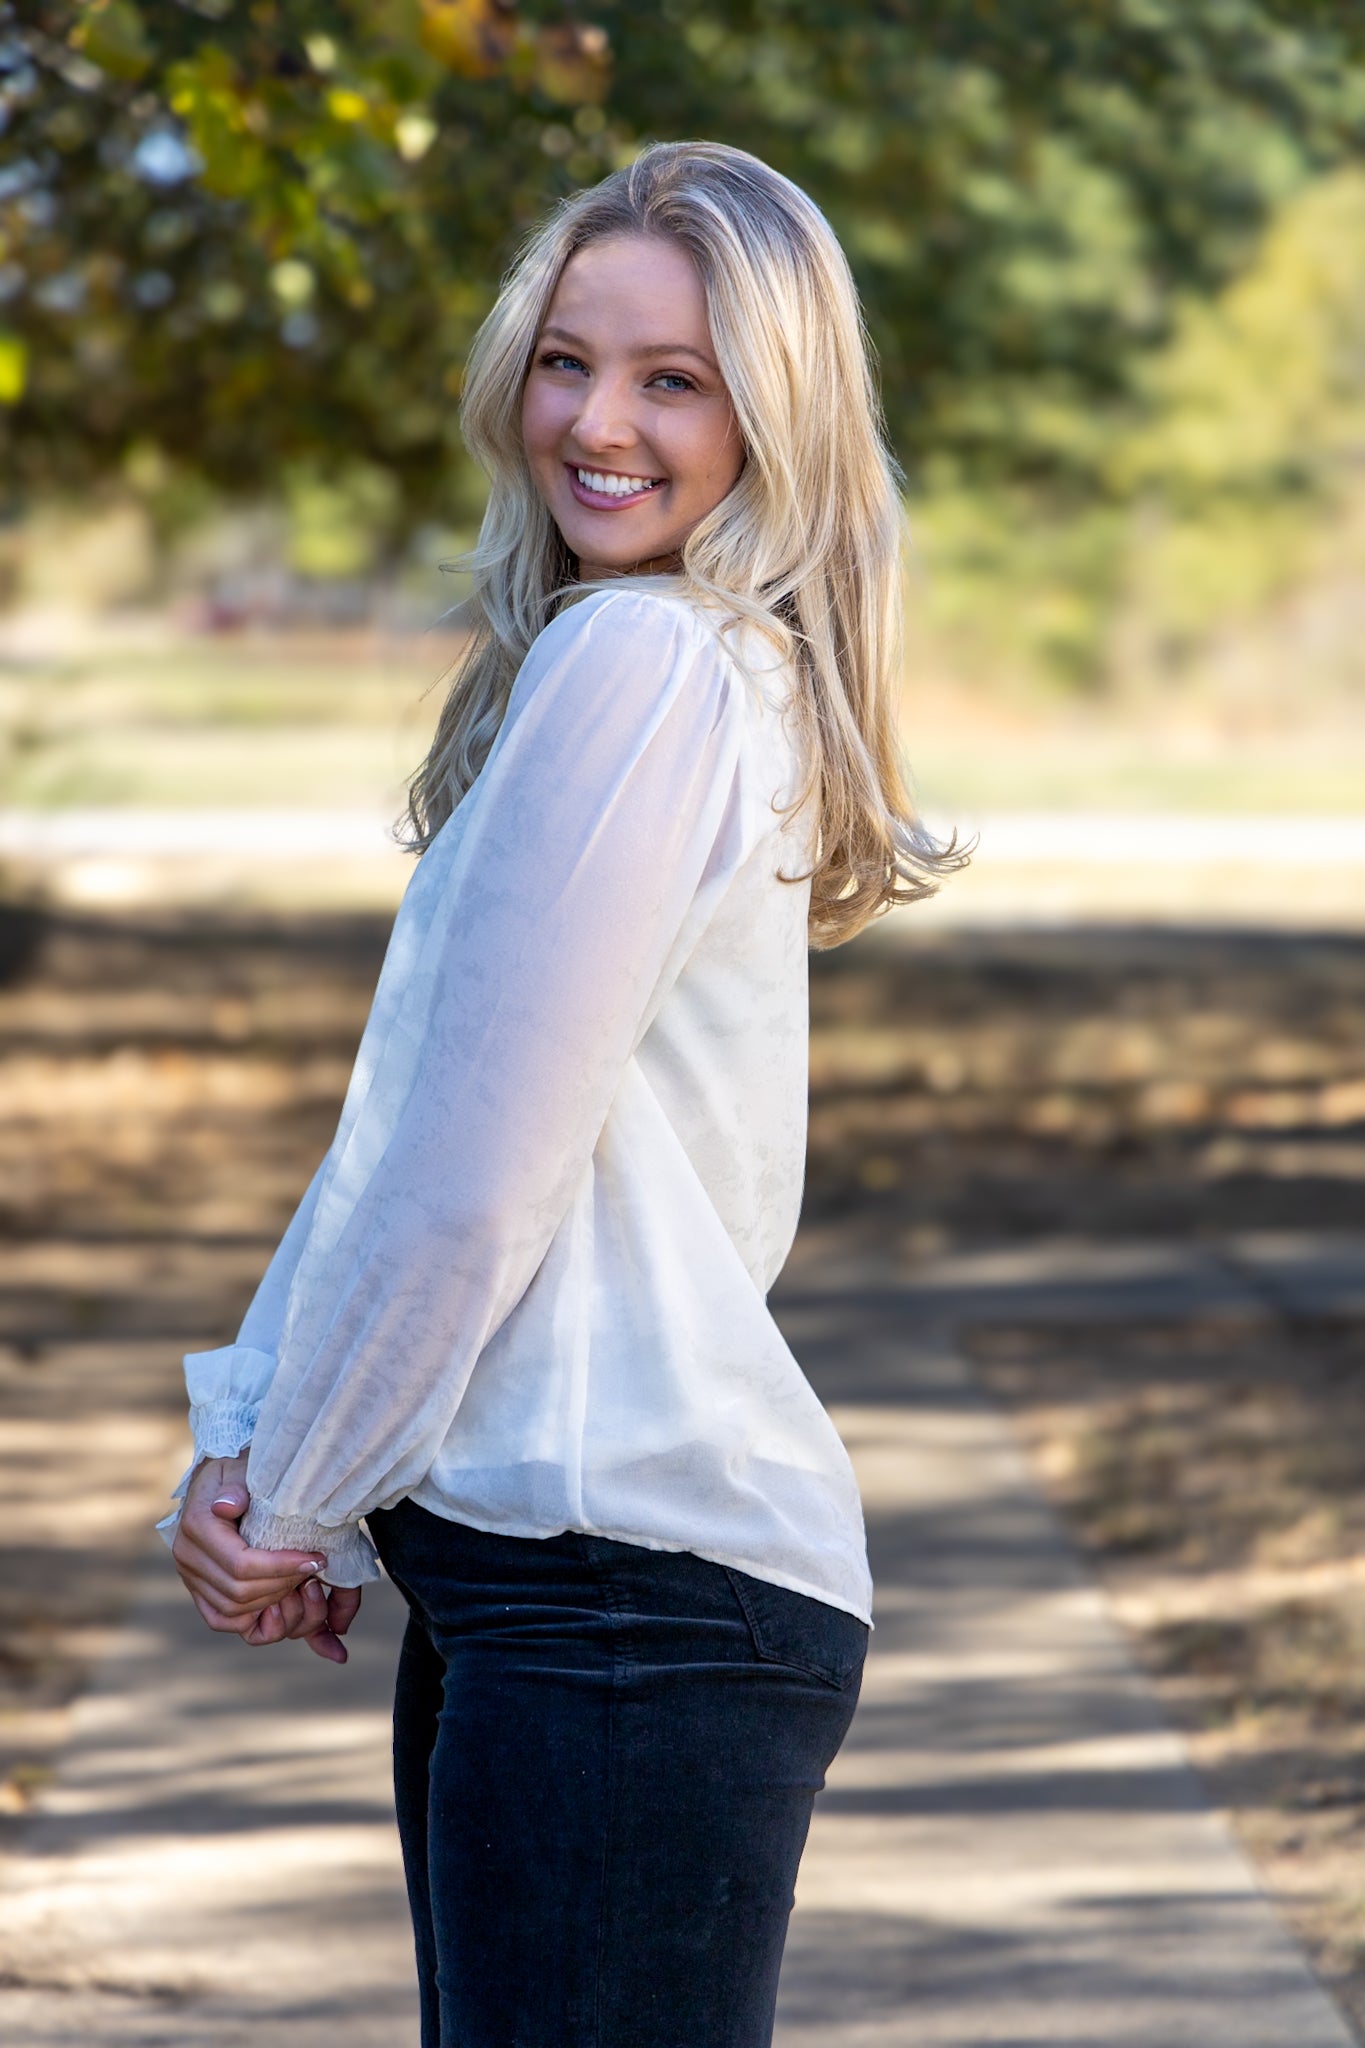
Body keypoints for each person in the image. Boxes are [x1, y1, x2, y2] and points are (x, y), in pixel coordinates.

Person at [161, 139, 962, 2048]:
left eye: (674, 379)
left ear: (778, 420)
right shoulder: (678, 668)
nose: (598, 423)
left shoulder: (646, 665)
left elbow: (466, 1186)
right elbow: (409, 1141)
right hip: (561, 1607)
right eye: (565, 362)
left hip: (623, 1616)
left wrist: (292, 1487)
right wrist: (284, 1456)